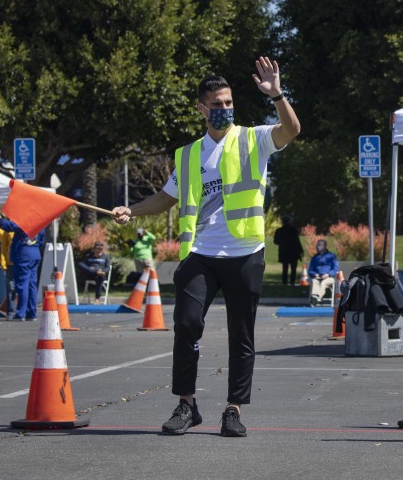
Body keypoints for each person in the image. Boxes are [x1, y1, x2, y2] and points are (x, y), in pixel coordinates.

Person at [111, 56, 300, 437]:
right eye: (217, 104)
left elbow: (291, 130)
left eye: (229, 103)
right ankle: (186, 404)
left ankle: (233, 408)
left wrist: (276, 93)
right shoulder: (188, 155)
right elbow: (166, 199)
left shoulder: (254, 138)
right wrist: (130, 210)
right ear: (201, 108)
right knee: (186, 324)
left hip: (245, 253)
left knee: (241, 334)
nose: (225, 109)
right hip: (200, 255)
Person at [0, 209, 44, 321]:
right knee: (32, 285)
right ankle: (31, 313)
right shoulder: (40, 222)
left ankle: (21, 313)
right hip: (34, 254)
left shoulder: (24, 221)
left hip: (23, 255)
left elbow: (7, 226)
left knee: (22, 285)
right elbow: (41, 241)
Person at [307, 238, 339, 305]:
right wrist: (315, 274)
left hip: (328, 277)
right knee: (314, 281)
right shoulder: (315, 258)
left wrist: (328, 274)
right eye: (317, 245)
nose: (318, 247)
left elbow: (336, 268)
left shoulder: (332, 256)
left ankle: (317, 298)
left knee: (324, 283)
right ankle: (314, 298)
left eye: (320, 245)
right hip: (317, 277)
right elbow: (310, 270)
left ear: (324, 246)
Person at [273, 214, 303, 286]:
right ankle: (292, 282)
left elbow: (276, 241)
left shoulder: (279, 231)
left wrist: (283, 243)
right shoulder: (293, 230)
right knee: (293, 268)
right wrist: (300, 250)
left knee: (285, 268)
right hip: (293, 252)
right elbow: (297, 241)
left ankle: (285, 282)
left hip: (284, 251)